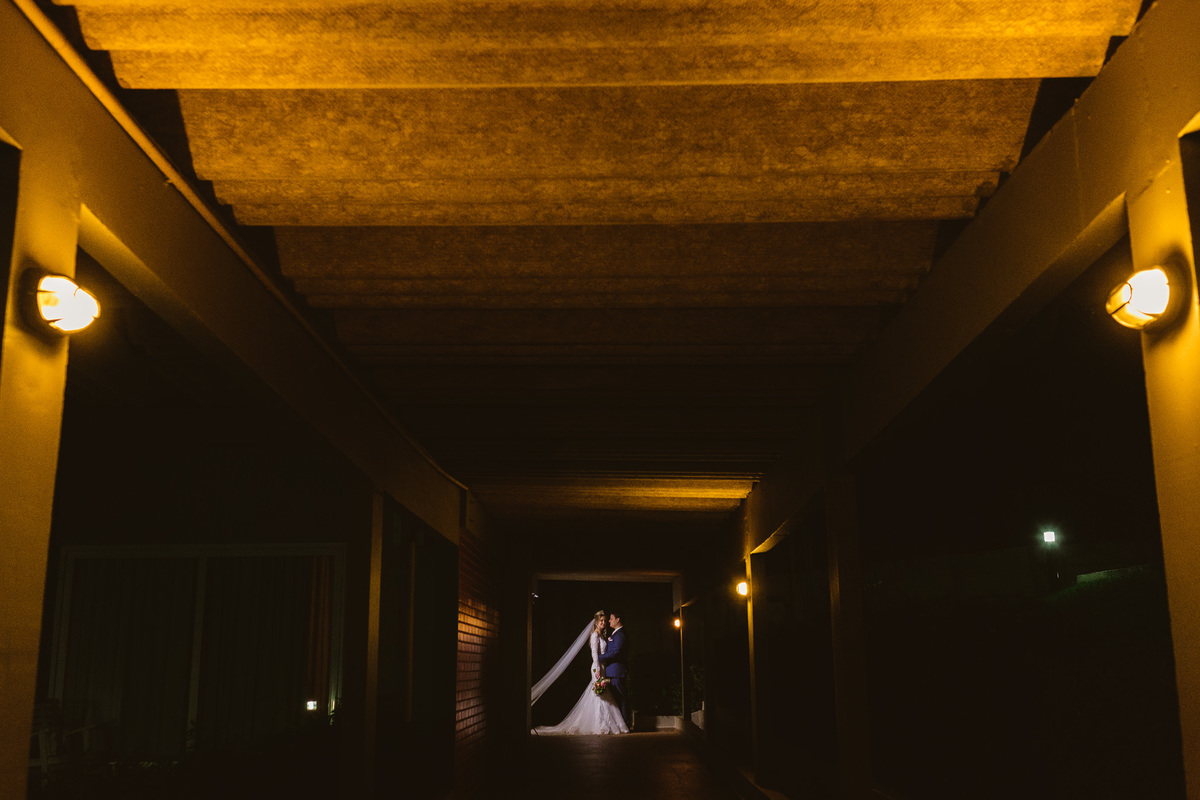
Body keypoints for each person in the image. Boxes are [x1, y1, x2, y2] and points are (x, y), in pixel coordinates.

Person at [531, 610, 629, 735]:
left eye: (605, 620)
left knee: (603, 694)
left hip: (604, 667)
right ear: (596, 622)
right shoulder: (595, 635)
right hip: (598, 667)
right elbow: (594, 654)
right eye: (601, 621)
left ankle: (607, 722)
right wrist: (598, 669)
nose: (604, 623)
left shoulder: (603, 635)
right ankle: (600, 724)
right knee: (599, 695)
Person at [599, 610, 631, 730]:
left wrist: (599, 657)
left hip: (617, 671)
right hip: (612, 671)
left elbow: (616, 651)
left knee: (621, 697)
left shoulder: (620, 634)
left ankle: (625, 723)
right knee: (617, 698)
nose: (609, 621)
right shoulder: (615, 634)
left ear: (618, 620)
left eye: (611, 619)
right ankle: (621, 723)